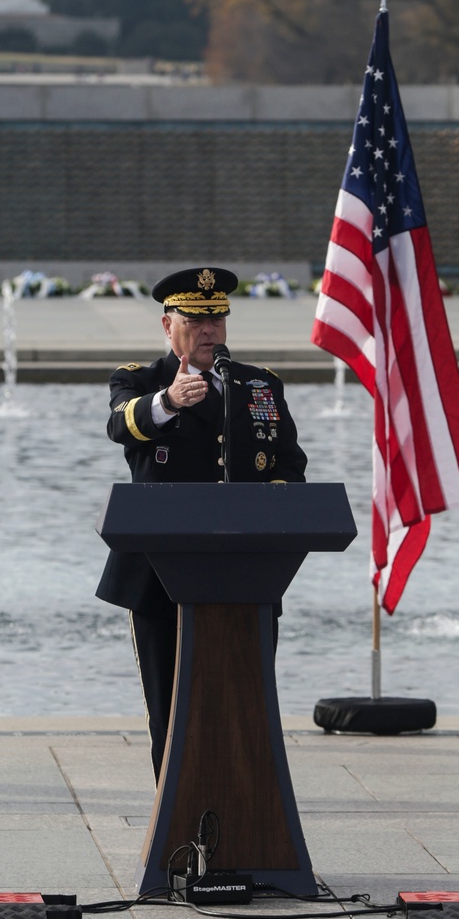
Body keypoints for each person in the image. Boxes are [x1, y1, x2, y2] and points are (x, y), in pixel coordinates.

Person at [96, 265, 307, 780]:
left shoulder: (259, 385)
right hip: (159, 577)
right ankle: (174, 827)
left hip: (247, 574)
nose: (210, 331)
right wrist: (168, 402)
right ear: (168, 327)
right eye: (195, 320)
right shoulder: (141, 381)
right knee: (169, 714)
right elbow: (120, 425)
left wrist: (269, 516)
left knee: (245, 709)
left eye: (217, 320)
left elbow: (289, 465)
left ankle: (243, 819)